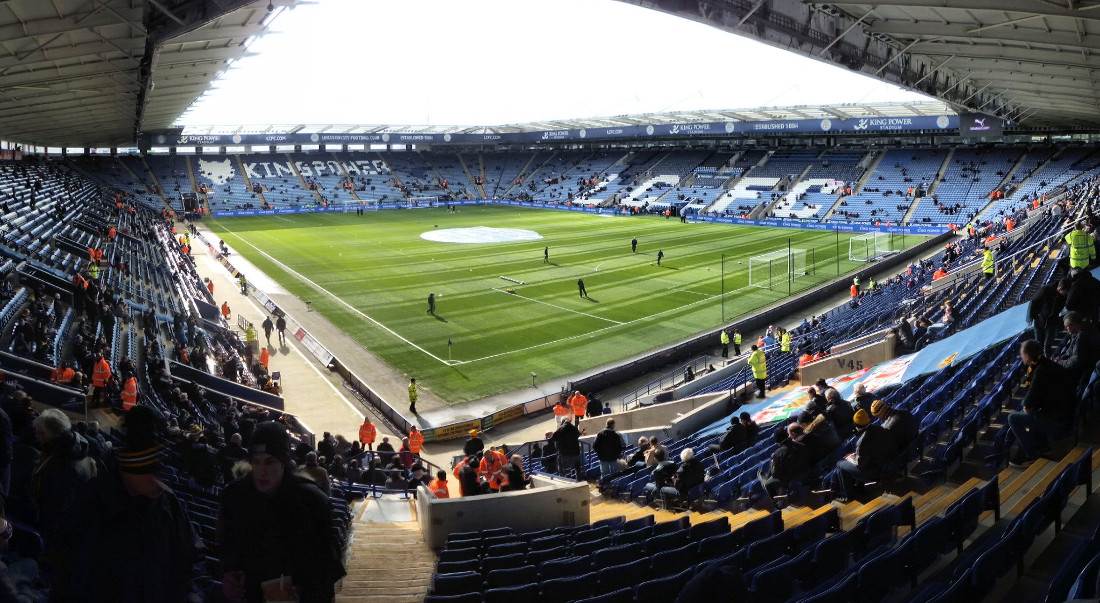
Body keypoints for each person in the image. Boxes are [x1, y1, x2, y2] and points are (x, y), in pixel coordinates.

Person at [49, 406, 204, 602]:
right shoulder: (90, 505)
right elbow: (66, 579)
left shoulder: (169, 504)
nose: (161, 479)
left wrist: (190, 597)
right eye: (153, 470)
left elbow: (192, 562)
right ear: (133, 467)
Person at [218, 422, 346, 603]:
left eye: (270, 461)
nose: (262, 471)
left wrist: (304, 587)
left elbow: (326, 565)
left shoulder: (311, 500)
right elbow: (226, 545)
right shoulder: (233, 496)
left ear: (283, 462)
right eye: (256, 461)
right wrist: (229, 574)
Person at [30, 408, 99, 543]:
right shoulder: (70, 449)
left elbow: (58, 508)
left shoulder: (63, 466)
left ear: (55, 434)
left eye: (41, 433)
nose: (37, 436)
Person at [1008, 339, 1075, 466]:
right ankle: (1042, 446)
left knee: (1013, 418)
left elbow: (1029, 401)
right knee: (1033, 411)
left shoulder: (1040, 371)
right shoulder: (1048, 364)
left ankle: (1031, 454)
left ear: (1027, 356)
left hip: (1058, 421)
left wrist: (1028, 405)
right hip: (1064, 413)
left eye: (1022, 354)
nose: (1021, 356)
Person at [832, 409, 897, 502]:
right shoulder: (880, 428)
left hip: (874, 471)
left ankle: (848, 496)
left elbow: (860, 464)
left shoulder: (862, 441)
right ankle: (858, 487)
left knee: (840, 464)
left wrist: (850, 458)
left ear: (856, 425)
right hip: (886, 463)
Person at [1054, 310, 1100, 388]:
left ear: (1074, 324)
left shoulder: (1082, 336)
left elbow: (1075, 362)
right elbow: (1072, 350)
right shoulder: (1083, 328)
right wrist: (1063, 357)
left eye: (1067, 326)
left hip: (1087, 368)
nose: (1065, 329)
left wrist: (1059, 362)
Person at [762, 426, 810, 496]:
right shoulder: (801, 445)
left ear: (777, 442)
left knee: (767, 484)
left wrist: (772, 464)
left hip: (790, 478)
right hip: (803, 471)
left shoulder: (778, 453)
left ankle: (776, 503)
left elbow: (775, 474)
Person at [1029, 279, 1069, 356]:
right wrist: (1034, 316)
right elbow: (1034, 301)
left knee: (1047, 346)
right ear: (1060, 289)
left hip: (1052, 322)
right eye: (1065, 292)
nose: (1066, 294)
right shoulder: (1045, 290)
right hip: (1040, 320)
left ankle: (1046, 361)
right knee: (1039, 343)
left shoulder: (1063, 296)